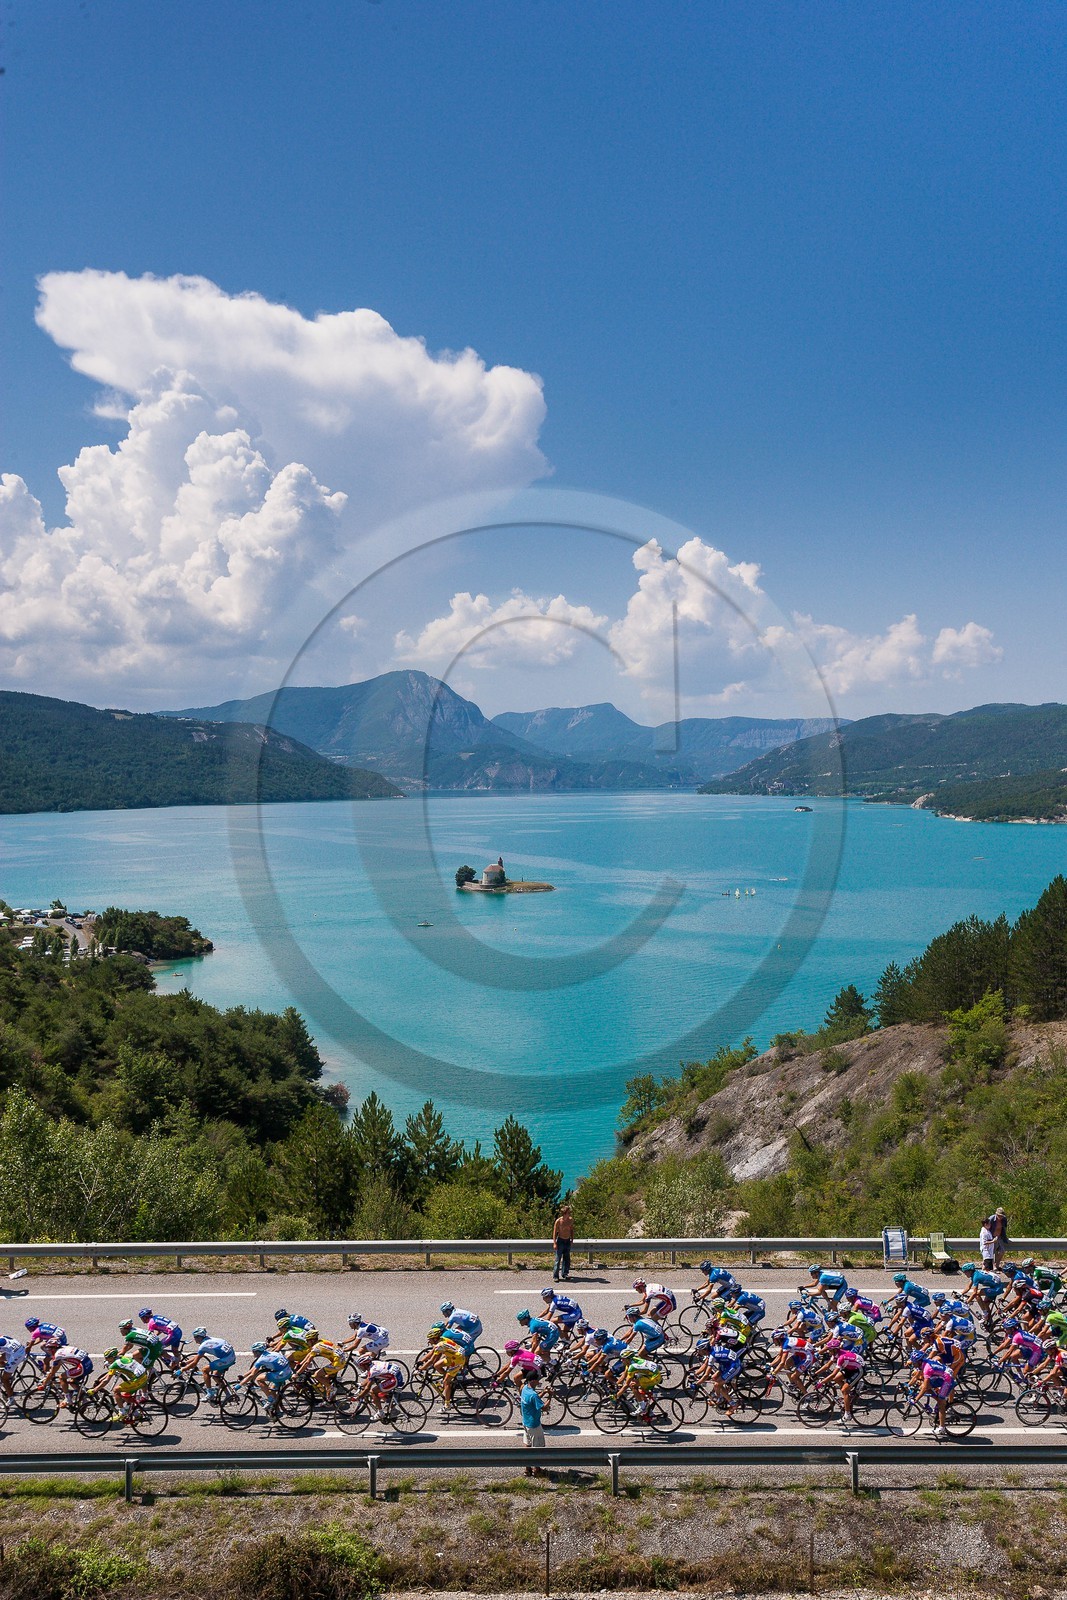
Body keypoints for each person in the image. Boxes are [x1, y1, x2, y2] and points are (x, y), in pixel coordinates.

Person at [520, 1374, 546, 1474]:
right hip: (534, 1425)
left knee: (528, 1445)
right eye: (538, 1380)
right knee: (538, 1448)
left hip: (525, 1422)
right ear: (533, 1381)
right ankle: (537, 1470)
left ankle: (527, 1469)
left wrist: (544, 1392)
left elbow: (534, 1400)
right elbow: (544, 1408)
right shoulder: (534, 1395)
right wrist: (550, 1396)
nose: (539, 1382)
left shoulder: (524, 1388)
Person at [553, 1205, 574, 1282]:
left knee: (567, 1258)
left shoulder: (570, 1220)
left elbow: (571, 1230)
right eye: (568, 1213)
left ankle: (565, 1273)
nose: (569, 1214)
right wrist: (555, 1243)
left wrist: (572, 1239)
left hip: (567, 1240)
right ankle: (555, 1275)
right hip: (560, 1241)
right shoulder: (558, 1221)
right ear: (564, 1213)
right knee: (558, 1259)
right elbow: (555, 1232)